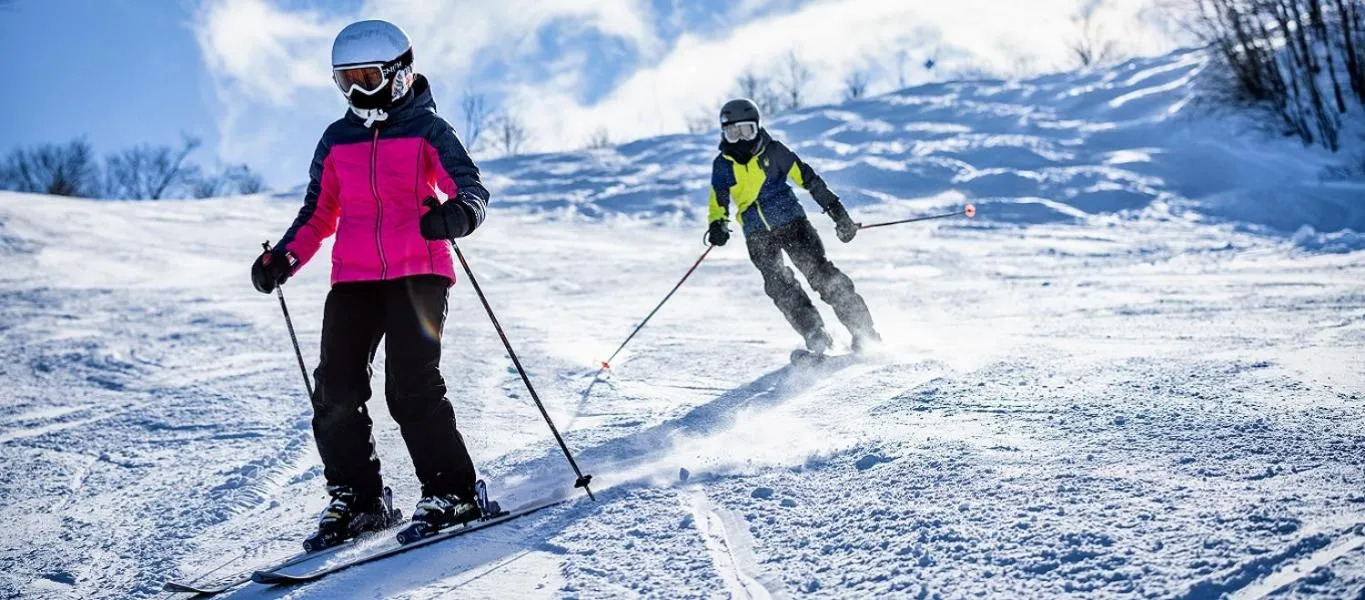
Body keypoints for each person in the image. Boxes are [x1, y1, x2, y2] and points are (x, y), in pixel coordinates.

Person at [249, 19, 491, 550]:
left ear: (399, 75)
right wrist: (284, 258)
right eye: (346, 80)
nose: (358, 91)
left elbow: (469, 188)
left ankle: (454, 492)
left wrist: (458, 215)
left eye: (369, 77)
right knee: (335, 389)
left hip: (418, 271)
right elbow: (317, 214)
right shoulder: (336, 140)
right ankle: (360, 501)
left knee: (410, 383)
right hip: (354, 278)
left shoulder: (429, 130)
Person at [705, 98, 880, 355]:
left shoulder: (774, 151)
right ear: (724, 134)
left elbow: (810, 180)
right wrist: (717, 224)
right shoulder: (722, 165)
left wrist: (838, 215)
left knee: (821, 275)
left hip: (792, 224)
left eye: (746, 130)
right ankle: (815, 333)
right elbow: (717, 199)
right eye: (733, 133)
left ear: (756, 127)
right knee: (779, 285)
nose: (741, 139)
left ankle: (864, 331)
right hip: (757, 234)